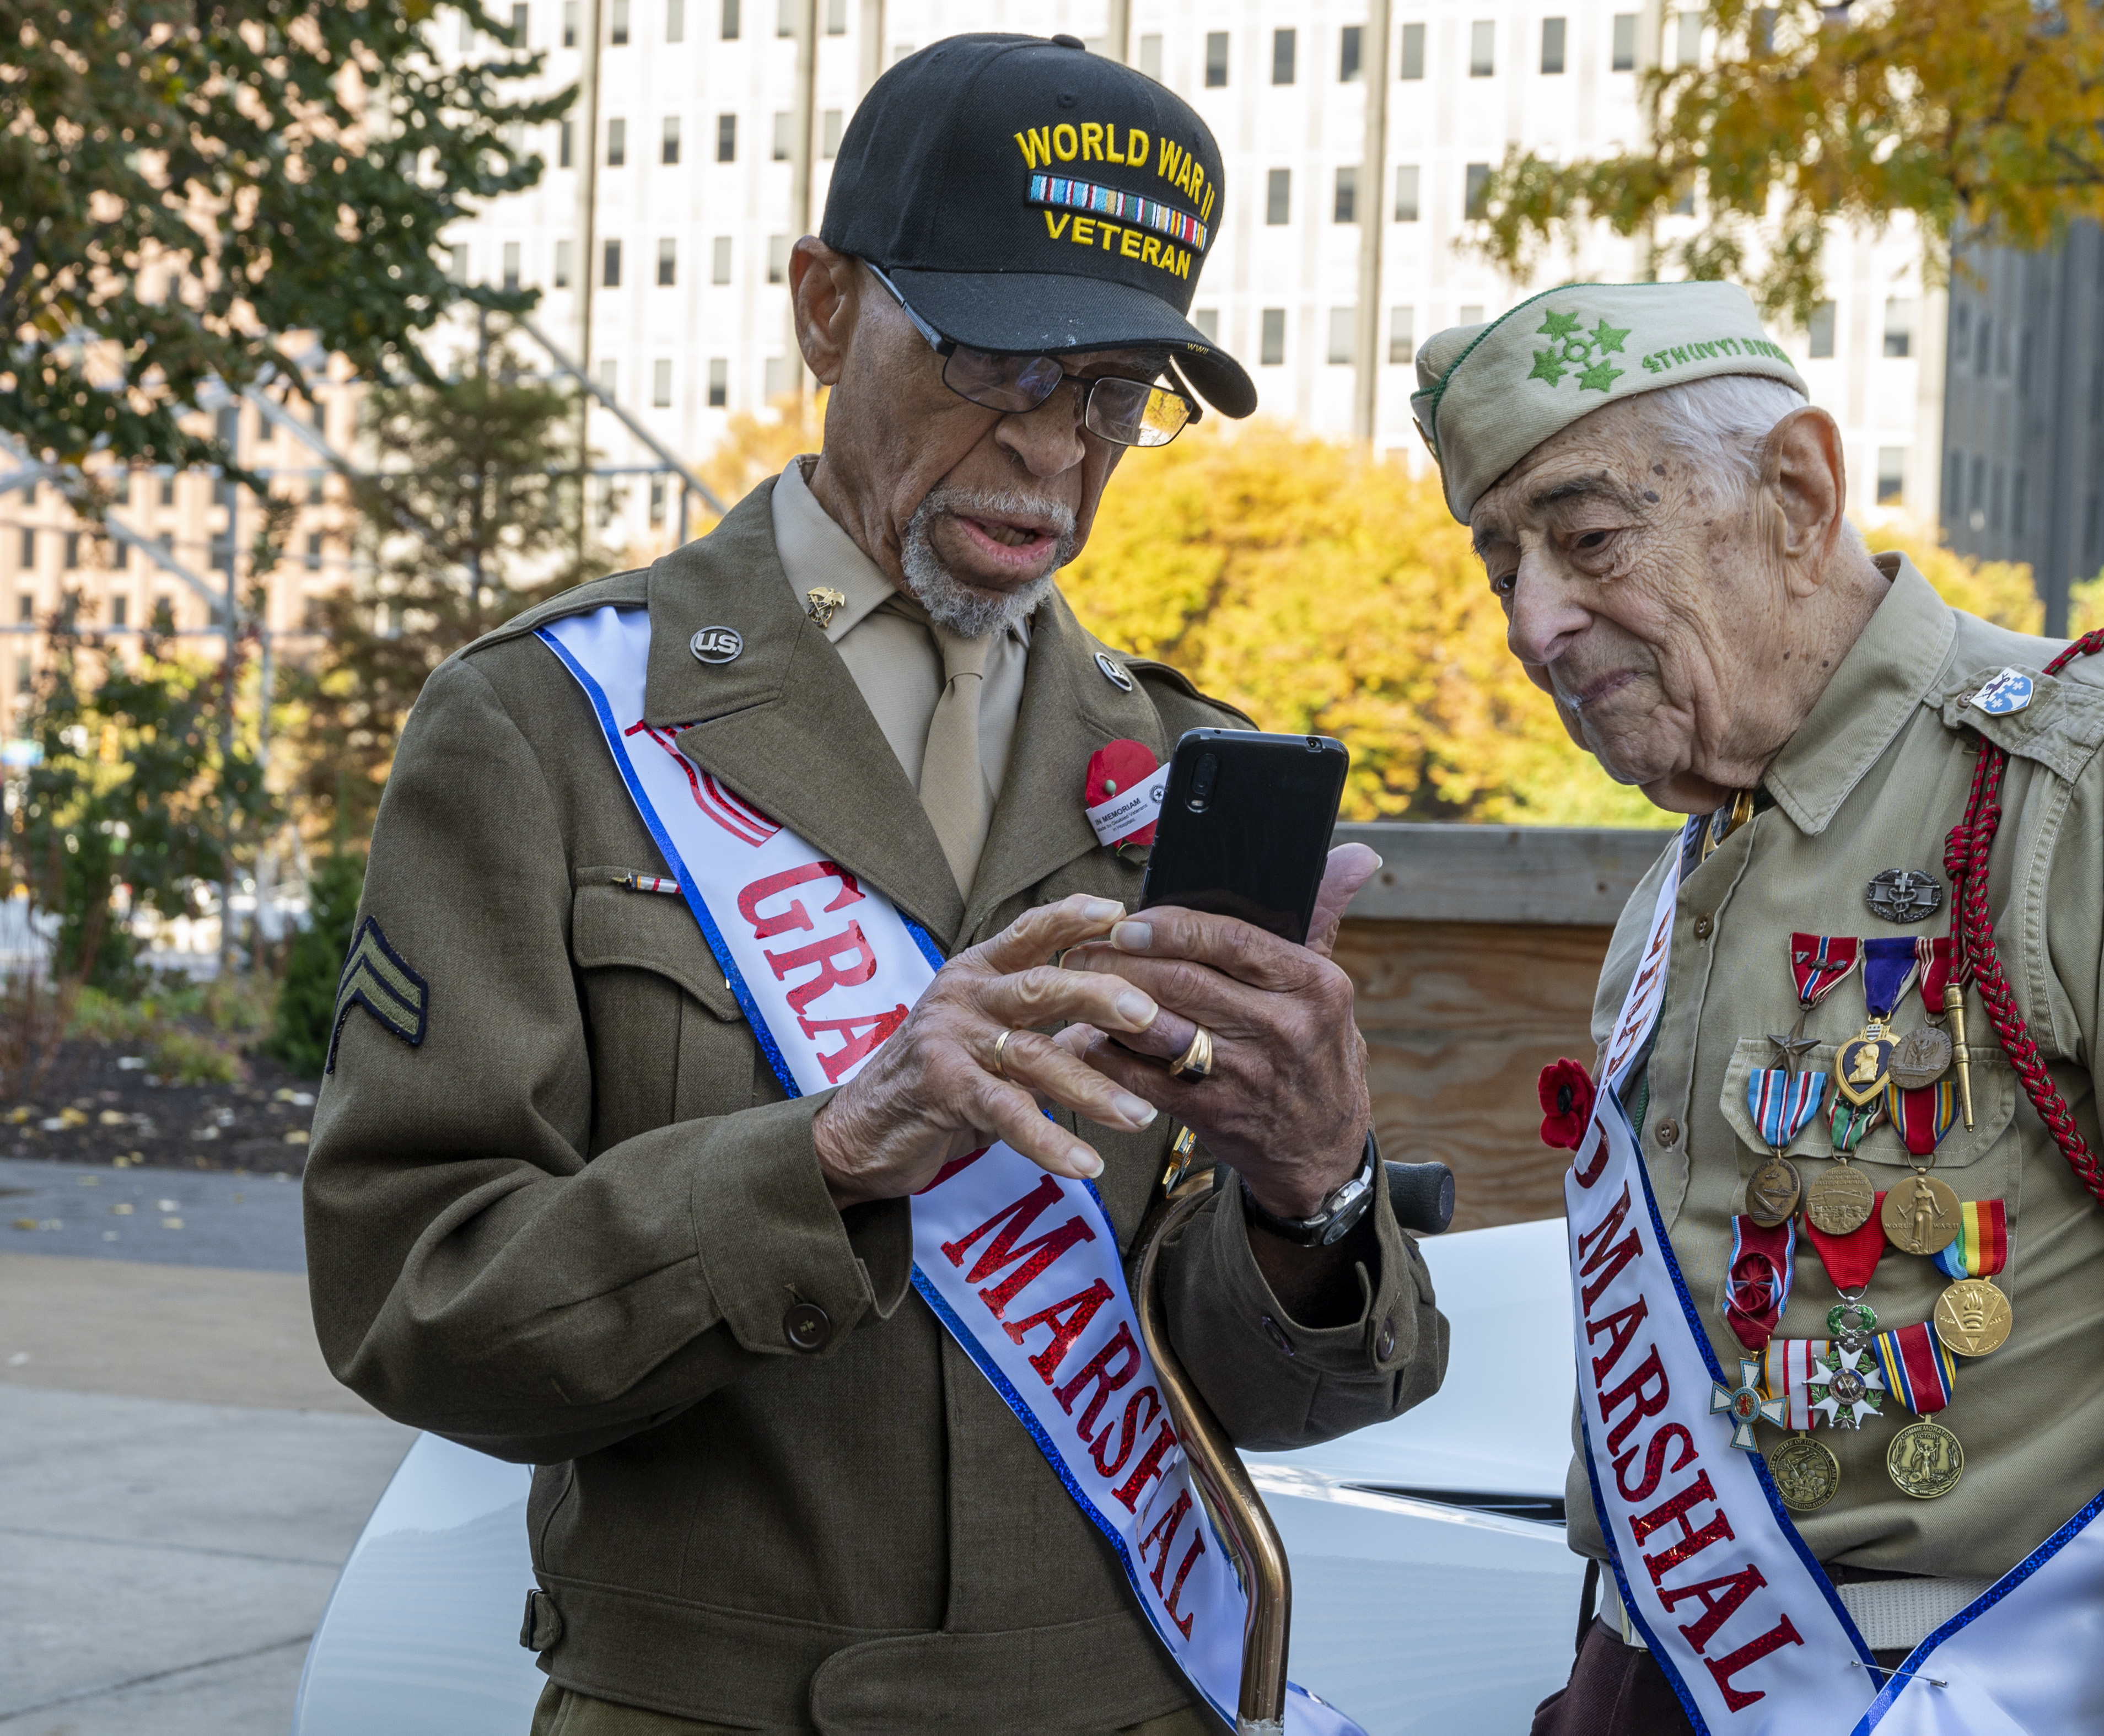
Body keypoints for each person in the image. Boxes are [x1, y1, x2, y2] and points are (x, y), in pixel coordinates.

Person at [305, 35, 1445, 1736]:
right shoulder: (553, 722)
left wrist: (1311, 1193)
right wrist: (833, 1144)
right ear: (825, 306)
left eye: (1117, 390)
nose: (1055, 452)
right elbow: (413, 1300)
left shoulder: (1181, 768)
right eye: (995, 360)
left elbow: (1272, 1391)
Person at [1410, 281, 2104, 1733]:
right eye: (1497, 560)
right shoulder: (1679, 877)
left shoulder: (2093, 772)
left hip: (1954, 1685)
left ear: (1798, 491)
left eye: (1585, 538)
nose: (1530, 620)